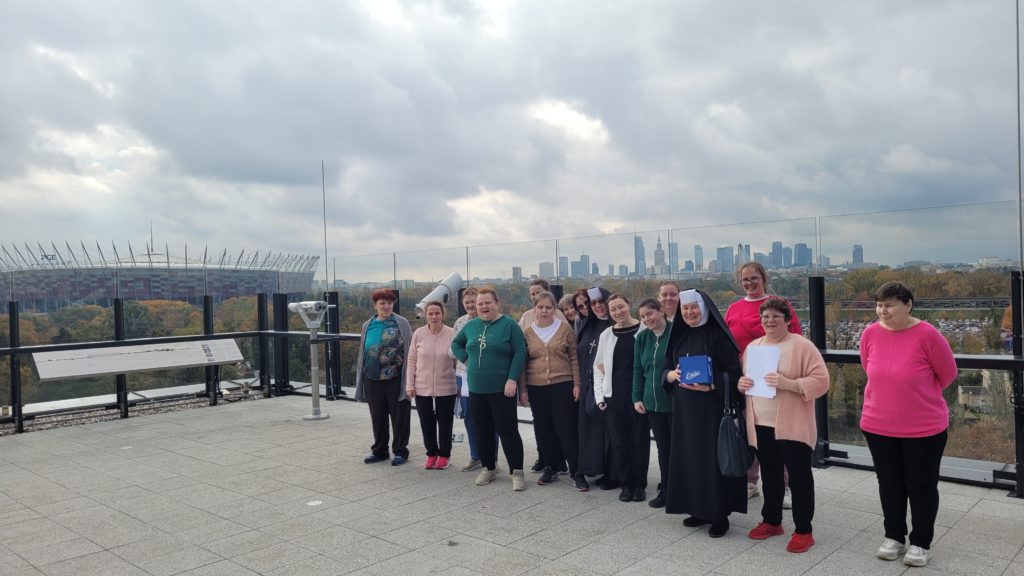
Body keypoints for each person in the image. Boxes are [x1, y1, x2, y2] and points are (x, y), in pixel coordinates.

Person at [860, 282, 957, 568]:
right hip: (877, 424)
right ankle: (894, 536)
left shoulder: (928, 335)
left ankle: (921, 542)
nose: (882, 311)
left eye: (889, 305)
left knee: (921, 485)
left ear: (909, 305)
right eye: (879, 305)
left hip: (923, 428)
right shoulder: (870, 333)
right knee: (889, 484)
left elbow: (948, 374)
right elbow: (869, 367)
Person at [738, 297, 829, 553]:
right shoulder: (753, 347)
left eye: (776, 317)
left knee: (799, 478)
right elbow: (746, 379)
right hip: (760, 423)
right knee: (771, 474)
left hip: (792, 424)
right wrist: (741, 384)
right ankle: (772, 521)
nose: (769, 322)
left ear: (788, 320)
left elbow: (821, 381)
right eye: (765, 317)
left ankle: (803, 530)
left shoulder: (802, 346)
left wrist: (789, 384)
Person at [664, 289, 746, 537]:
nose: (688, 313)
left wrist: (712, 385)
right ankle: (697, 509)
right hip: (685, 411)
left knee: (713, 460)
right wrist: (671, 375)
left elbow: (734, 375)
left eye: (693, 308)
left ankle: (720, 515)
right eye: (685, 309)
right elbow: (666, 368)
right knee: (690, 459)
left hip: (713, 410)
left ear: (705, 308)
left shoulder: (718, 336)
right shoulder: (679, 336)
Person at [725, 261, 802, 501]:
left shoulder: (779, 305)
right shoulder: (734, 308)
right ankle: (750, 481)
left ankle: (786, 485)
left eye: (754, 278)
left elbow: (795, 337)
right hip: (745, 379)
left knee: (779, 431)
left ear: (763, 278)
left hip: (772, 377)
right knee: (751, 430)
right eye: (745, 279)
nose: (749, 283)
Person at [451, 288, 529, 491]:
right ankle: (488, 467)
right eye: (480, 304)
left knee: (507, 430)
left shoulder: (509, 325)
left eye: (487, 303)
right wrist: (466, 359)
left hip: (502, 389)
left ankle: (517, 471)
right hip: (477, 388)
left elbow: (520, 352)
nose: (484, 307)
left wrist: (512, 379)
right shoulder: (471, 326)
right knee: (482, 430)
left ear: (497, 303)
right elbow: (456, 343)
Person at [522, 291, 585, 490]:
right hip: (536, 386)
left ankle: (576, 470)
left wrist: (577, 384)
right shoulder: (528, 332)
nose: (544, 311)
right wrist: (523, 389)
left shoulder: (565, 329)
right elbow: (524, 363)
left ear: (554, 309)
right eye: (540, 307)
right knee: (545, 429)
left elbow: (574, 358)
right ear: (535, 309)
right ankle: (552, 466)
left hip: (562, 384)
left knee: (566, 428)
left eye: (548, 307)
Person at [592, 294, 644, 502]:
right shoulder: (606, 334)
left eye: (621, 307)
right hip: (614, 396)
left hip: (638, 396)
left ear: (629, 305)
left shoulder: (644, 330)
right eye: (613, 309)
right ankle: (626, 484)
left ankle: (639, 484)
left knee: (639, 441)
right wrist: (599, 397)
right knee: (619, 442)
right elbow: (598, 367)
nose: (618, 312)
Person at [355, 288, 413, 466]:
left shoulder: (401, 323)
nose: (386, 306)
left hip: (396, 377)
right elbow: (363, 352)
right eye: (382, 303)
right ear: (375, 305)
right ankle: (380, 451)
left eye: (389, 302)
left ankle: (400, 451)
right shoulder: (368, 324)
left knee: (399, 416)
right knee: (378, 416)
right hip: (372, 378)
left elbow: (411, 351)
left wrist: (410, 378)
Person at [519, 278, 567, 474]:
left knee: (558, 421)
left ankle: (560, 458)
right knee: (540, 422)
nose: (535, 296)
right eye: (532, 294)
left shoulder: (559, 316)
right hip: (535, 378)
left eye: (538, 292)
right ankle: (544, 457)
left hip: (557, 378)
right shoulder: (526, 317)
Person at [632, 298, 673, 508]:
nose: (647, 319)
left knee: (679, 447)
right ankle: (666, 488)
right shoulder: (642, 338)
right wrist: (636, 397)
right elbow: (638, 370)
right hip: (651, 402)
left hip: (674, 402)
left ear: (661, 311)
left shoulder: (676, 333)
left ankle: (681, 487)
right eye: (643, 316)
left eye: (650, 314)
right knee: (663, 448)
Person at [406, 301, 457, 470]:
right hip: (422, 386)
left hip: (447, 386)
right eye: (430, 314)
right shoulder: (419, 334)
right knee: (426, 422)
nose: (434, 317)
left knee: (445, 422)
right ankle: (431, 454)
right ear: (426, 316)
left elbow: (458, 360)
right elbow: (412, 360)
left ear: (443, 314)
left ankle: (444, 455)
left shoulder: (452, 333)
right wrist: (410, 384)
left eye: (437, 313)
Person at [575, 286, 613, 490]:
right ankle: (591, 466)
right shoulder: (587, 326)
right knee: (589, 430)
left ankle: (611, 472)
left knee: (607, 431)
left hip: (608, 389)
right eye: (593, 303)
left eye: (601, 301)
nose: (597, 306)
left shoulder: (616, 325)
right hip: (586, 386)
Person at [451, 287, 487, 471]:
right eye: (467, 303)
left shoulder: (487, 321)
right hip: (463, 375)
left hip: (484, 375)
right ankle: (475, 456)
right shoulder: (460, 322)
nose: (471, 305)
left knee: (489, 419)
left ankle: (491, 458)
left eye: (474, 302)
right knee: (470, 418)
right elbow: (452, 349)